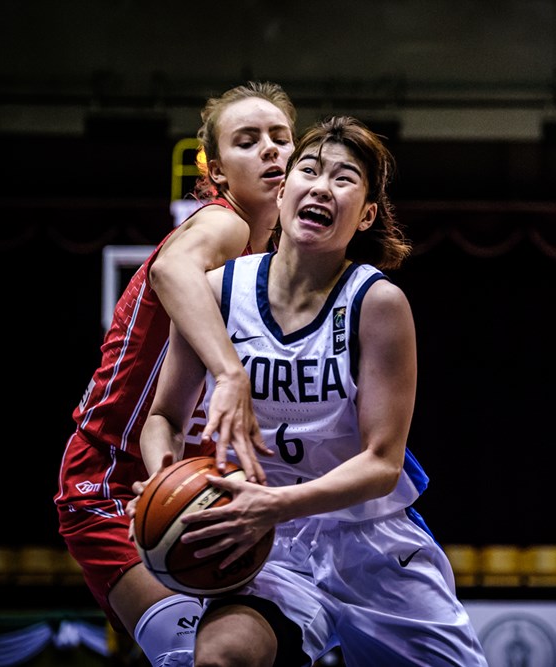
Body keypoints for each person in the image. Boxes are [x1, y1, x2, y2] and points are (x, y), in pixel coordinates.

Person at [135, 116, 489, 666]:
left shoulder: (377, 304)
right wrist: (166, 481)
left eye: (345, 178)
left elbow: (381, 463)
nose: (323, 186)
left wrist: (273, 505)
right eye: (309, 169)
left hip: (369, 539)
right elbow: (165, 417)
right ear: (283, 193)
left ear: (366, 215)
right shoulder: (220, 291)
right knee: (220, 658)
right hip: (266, 548)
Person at [54, 81, 297, 666]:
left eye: (281, 137)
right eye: (247, 141)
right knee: (195, 655)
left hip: (173, 478)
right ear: (214, 169)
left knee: (238, 652)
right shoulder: (225, 224)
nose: (270, 150)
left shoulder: (276, 263)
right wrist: (230, 374)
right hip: (107, 479)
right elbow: (170, 269)